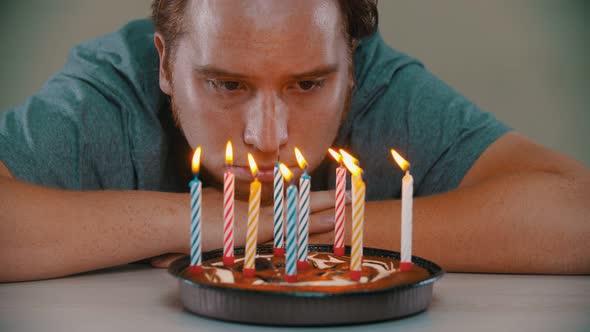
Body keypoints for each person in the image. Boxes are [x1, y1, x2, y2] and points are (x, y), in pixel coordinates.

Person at [1, 0, 588, 283]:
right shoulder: (109, 89)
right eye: (226, 84)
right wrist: (196, 218)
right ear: (162, 64)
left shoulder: (382, 85)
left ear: (351, 67)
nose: (267, 136)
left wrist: (280, 223)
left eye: (308, 84)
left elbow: (577, 213)